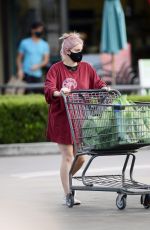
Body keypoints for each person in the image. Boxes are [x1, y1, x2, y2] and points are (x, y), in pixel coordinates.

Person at [44, 32, 108, 206]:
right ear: (66, 51)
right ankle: (68, 194)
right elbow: (49, 88)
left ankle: (67, 178)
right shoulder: (55, 69)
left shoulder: (86, 68)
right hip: (62, 119)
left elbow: (98, 82)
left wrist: (104, 88)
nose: (79, 53)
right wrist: (58, 92)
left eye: (81, 50)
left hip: (80, 117)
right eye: (76, 50)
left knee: (80, 158)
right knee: (67, 156)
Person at [16, 21, 50, 93]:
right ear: (32, 30)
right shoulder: (24, 43)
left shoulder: (44, 44)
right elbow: (19, 58)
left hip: (37, 74)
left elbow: (46, 60)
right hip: (25, 74)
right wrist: (20, 70)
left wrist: (38, 66)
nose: (39, 31)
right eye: (38, 29)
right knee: (23, 95)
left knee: (40, 96)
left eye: (41, 30)